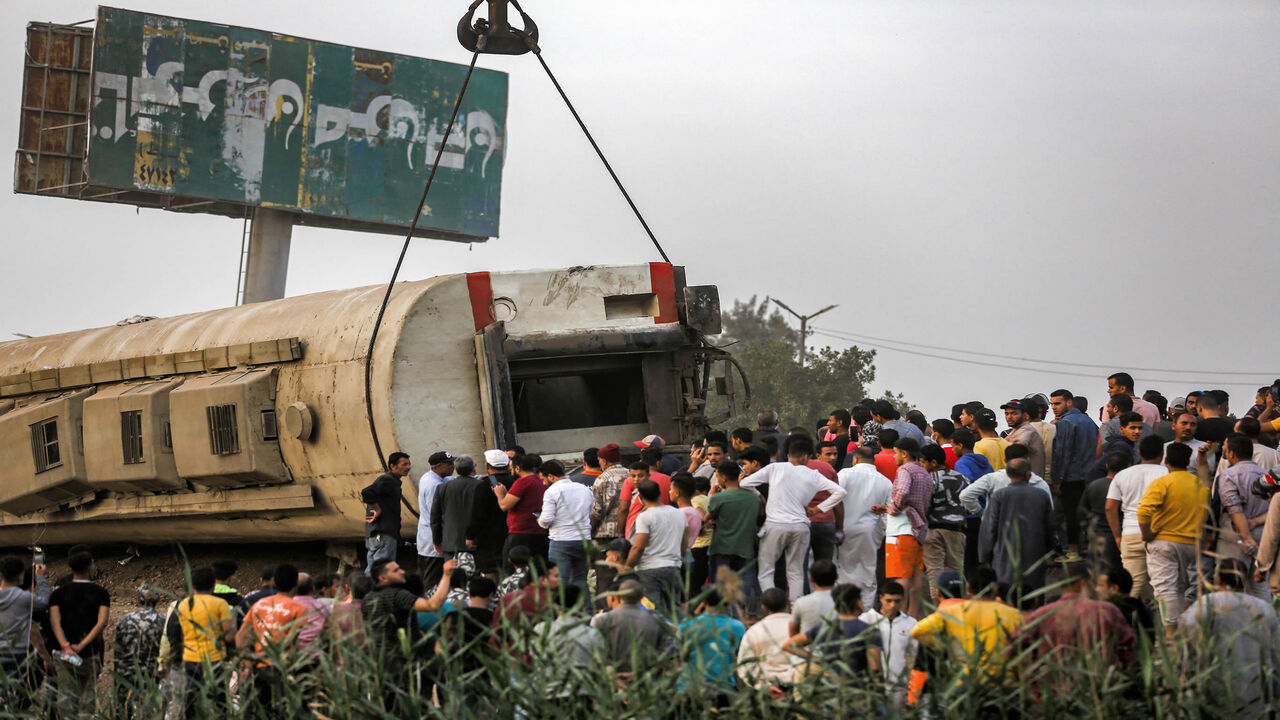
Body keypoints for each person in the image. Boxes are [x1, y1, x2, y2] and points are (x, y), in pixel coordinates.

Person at [741, 438, 848, 601]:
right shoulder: (813, 475)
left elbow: (744, 484)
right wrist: (817, 509)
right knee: (796, 571)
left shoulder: (775, 468)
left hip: (775, 525)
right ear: (807, 457)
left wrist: (760, 496)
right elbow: (840, 492)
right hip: (801, 526)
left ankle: (772, 606)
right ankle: (796, 606)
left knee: (766, 571)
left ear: (788, 454)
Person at [1178, 558, 1280, 720]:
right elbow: (1276, 659)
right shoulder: (1264, 609)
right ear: (1244, 580)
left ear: (1217, 579)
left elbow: (1186, 659)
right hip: (1255, 701)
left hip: (1212, 701)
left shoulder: (1201, 608)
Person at [1012, 561, 1134, 677]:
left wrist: (1030, 678)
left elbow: (1013, 647)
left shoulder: (1040, 615)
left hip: (1053, 689)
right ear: (1083, 583)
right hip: (1099, 687)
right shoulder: (1108, 611)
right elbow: (1129, 647)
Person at [1136, 442, 1210, 630]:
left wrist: (1147, 534)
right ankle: (1180, 630)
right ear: (1187, 462)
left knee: (1164, 588)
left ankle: (1170, 635)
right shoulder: (1200, 486)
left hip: (1164, 543)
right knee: (1178, 587)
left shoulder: (1162, 483)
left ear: (1166, 461)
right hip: (1190, 544)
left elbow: (1144, 512)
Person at [911, 566, 1023, 679]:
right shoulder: (1014, 615)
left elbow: (917, 631)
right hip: (1003, 680)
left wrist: (946, 646)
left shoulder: (953, 612)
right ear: (995, 590)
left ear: (968, 589)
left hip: (966, 681)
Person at [978, 458, 1057, 608]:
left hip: (1004, 557)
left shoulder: (999, 496)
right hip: (1034, 556)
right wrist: (1050, 552)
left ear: (1008, 474)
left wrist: (985, 557)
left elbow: (989, 528)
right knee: (1033, 599)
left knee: (1006, 598)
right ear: (1028, 474)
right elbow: (1050, 527)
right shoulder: (1041, 495)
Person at [870, 437, 933, 618]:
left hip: (901, 530)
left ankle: (899, 615)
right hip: (918, 528)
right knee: (916, 577)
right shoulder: (924, 472)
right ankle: (913, 616)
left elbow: (903, 492)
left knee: (901, 576)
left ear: (904, 453)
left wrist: (892, 508)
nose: (894, 456)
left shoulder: (904, 470)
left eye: (896, 453)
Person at [235, 564, 309, 713]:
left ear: (274, 581)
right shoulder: (299, 609)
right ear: (296, 584)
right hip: (283, 668)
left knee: (263, 711)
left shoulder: (258, 605)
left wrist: (247, 663)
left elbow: (241, 637)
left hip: (259, 666)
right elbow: (290, 642)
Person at [1104, 435, 1168, 604]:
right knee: (1164, 586)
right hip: (1160, 534)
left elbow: (1110, 507)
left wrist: (1118, 536)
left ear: (1139, 452)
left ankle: (1130, 623)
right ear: (1162, 454)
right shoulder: (1167, 474)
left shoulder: (1122, 475)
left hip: (1130, 533)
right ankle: (1163, 626)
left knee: (1133, 585)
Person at [49, 549, 111, 717]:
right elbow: (102, 623)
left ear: (70, 567)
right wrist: (83, 644)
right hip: (89, 652)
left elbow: (55, 623)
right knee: (88, 695)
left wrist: (65, 646)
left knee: (66, 694)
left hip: (63, 653)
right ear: (90, 567)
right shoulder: (101, 593)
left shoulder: (57, 594)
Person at [781, 584, 882, 682]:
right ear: (859, 603)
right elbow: (875, 669)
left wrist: (817, 659)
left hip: (832, 688)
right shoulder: (870, 632)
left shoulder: (824, 629)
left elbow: (789, 645)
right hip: (859, 690)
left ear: (836, 607)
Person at [1212, 435, 1271, 599]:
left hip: (1236, 540)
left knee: (1230, 588)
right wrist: (1255, 522)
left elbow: (1234, 509)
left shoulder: (1228, 476)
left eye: (1225, 446)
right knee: (1260, 589)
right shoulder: (1266, 476)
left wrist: (1247, 538)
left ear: (1232, 453)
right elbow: (1275, 508)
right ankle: (1265, 623)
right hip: (1263, 538)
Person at [529, 585, 603, 714]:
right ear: (582, 606)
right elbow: (600, 666)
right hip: (582, 698)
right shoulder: (592, 635)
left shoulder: (541, 630)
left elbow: (533, 658)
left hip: (548, 697)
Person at [836, 446, 893, 609]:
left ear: (855, 459)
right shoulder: (885, 481)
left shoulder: (845, 474)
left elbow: (835, 496)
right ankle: (866, 611)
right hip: (871, 530)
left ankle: (845, 607)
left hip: (846, 527)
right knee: (868, 571)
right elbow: (888, 510)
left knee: (845, 568)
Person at [706, 458, 763, 613]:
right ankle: (749, 611)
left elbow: (707, 519)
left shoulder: (719, 498)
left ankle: (725, 611)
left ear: (723, 477)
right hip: (746, 545)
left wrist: (712, 495)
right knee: (748, 578)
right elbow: (761, 510)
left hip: (722, 546)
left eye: (717, 477)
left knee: (722, 581)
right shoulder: (752, 498)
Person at [590, 578, 673, 682]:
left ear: (618, 596)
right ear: (643, 596)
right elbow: (666, 651)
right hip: (647, 682)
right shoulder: (656, 620)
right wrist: (641, 673)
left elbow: (597, 651)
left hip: (612, 683)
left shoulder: (602, 620)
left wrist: (614, 677)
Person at [1049, 389, 1100, 558]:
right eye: (1052, 404)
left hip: (1071, 477)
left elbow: (1062, 454)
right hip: (1090, 475)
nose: (1054, 408)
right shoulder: (1089, 421)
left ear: (1069, 402)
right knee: (1088, 515)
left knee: (1071, 515)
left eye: (1057, 403)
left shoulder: (1065, 423)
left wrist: (1057, 480)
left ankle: (1073, 551)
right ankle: (1088, 550)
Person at [624, 479, 689, 612]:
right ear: (659, 493)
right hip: (673, 567)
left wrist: (626, 567)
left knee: (652, 609)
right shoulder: (679, 514)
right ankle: (677, 632)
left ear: (641, 497)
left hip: (649, 569)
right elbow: (683, 545)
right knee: (674, 609)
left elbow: (638, 548)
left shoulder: (644, 517)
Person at [676, 587, 745, 707]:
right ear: (728, 603)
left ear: (703, 602)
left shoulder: (688, 624)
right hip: (723, 688)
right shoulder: (737, 626)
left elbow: (678, 649)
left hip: (690, 687)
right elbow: (740, 656)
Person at [920, 444, 968, 602]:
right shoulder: (961, 478)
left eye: (923, 462)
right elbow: (969, 500)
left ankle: (939, 606)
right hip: (957, 530)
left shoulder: (929, 479)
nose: (921, 466)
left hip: (933, 530)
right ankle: (957, 604)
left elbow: (924, 505)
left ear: (933, 463)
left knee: (935, 572)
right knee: (956, 570)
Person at [0, 556, 48, 708]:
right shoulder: (23, 597)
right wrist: (40, 578)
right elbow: (46, 602)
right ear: (20, 575)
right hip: (18, 654)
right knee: (18, 696)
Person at [858, 580, 917, 704]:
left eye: (897, 601)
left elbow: (914, 655)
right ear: (880, 598)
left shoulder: (910, 624)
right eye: (888, 601)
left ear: (903, 599)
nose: (892, 605)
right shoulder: (866, 620)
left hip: (899, 686)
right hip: (871, 685)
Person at [538, 459, 594, 589]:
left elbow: (546, 520)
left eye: (543, 479)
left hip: (561, 541)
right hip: (584, 539)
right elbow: (591, 512)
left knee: (560, 582)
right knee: (580, 579)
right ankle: (587, 609)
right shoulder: (584, 489)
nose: (543, 482)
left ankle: (563, 609)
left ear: (551, 476)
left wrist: (539, 520)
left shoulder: (552, 492)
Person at [735, 588, 799, 691]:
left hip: (766, 688)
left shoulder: (754, 631)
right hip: (799, 685)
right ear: (788, 601)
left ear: (763, 607)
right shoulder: (801, 627)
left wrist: (764, 687)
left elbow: (745, 666)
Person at [1080, 450, 1133, 574]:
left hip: (1097, 537)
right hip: (1120, 537)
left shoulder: (1093, 485)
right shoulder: (1126, 487)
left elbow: (1081, 512)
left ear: (1107, 466)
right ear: (1128, 468)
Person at [496, 453, 549, 570]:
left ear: (518, 468)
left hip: (520, 532)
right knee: (538, 569)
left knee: (511, 568)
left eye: (511, 468)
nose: (510, 471)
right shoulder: (541, 481)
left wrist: (500, 494)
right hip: (540, 531)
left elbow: (504, 505)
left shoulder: (522, 482)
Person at [362, 452, 411, 573]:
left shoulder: (392, 481)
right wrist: (377, 509)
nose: (408, 467)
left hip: (376, 533)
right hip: (383, 534)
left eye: (409, 464)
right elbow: (366, 493)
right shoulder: (387, 480)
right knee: (382, 571)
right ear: (393, 466)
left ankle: (363, 591)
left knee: (373, 570)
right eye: (404, 464)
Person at [417, 450, 454, 589]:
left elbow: (453, 480)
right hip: (432, 541)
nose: (452, 467)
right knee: (432, 583)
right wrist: (438, 541)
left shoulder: (430, 477)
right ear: (438, 466)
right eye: (449, 464)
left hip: (426, 539)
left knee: (426, 579)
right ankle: (429, 608)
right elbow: (436, 515)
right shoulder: (434, 485)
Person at [618, 456, 672, 540]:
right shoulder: (636, 491)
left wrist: (620, 532)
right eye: (633, 476)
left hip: (641, 530)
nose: (636, 479)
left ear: (648, 475)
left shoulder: (646, 493)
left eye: (640, 476)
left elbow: (623, 508)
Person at [1095, 567, 1154, 640]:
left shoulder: (1112, 611)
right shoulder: (1138, 606)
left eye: (1101, 585)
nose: (1096, 589)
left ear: (1114, 588)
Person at [590, 443, 629, 543]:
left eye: (599, 460)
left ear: (604, 461)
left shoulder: (602, 479)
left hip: (607, 532)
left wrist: (590, 530)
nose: (599, 463)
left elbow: (597, 510)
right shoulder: (631, 474)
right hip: (630, 528)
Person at [789, 560, 837, 636]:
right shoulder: (846, 600)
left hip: (809, 646)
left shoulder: (801, 603)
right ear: (837, 576)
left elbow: (792, 633)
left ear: (810, 579)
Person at [1001, 399, 1047, 478]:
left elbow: (1019, 447)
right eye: (1007, 414)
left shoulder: (1026, 431)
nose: (1009, 417)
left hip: (1029, 482)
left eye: (1014, 413)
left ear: (1025, 415)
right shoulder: (1017, 429)